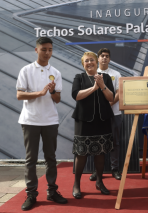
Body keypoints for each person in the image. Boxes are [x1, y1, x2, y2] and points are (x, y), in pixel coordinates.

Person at [16, 37, 67, 211]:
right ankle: (31, 194)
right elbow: (19, 95)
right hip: (30, 120)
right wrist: (39, 93)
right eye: (44, 49)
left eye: (50, 50)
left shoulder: (56, 72)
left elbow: (58, 99)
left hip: (50, 121)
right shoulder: (26, 70)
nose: (47, 53)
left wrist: (52, 91)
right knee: (31, 159)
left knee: (51, 158)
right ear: (36, 50)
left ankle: (52, 191)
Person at [71, 51, 115, 199]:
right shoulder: (79, 77)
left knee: (100, 153)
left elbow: (111, 97)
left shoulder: (106, 77)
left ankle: (99, 182)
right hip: (83, 121)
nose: (89, 63)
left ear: (97, 62)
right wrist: (94, 88)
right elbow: (76, 95)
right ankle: (76, 184)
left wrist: (102, 86)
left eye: (92, 60)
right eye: (86, 61)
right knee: (81, 153)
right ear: (83, 64)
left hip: (102, 120)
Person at [89, 48, 122, 181]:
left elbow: (119, 93)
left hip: (114, 113)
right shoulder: (92, 74)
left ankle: (115, 169)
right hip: (96, 115)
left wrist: (108, 104)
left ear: (109, 59)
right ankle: (97, 171)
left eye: (107, 56)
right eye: (102, 56)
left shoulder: (116, 74)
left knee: (115, 142)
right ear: (98, 58)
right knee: (97, 142)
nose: (104, 58)